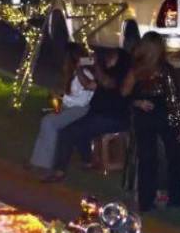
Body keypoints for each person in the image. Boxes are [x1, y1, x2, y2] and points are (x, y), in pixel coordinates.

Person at [121, 32, 180, 211]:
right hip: (145, 118)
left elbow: (173, 101)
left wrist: (179, 125)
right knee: (147, 157)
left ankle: (175, 195)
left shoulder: (165, 71)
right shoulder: (136, 70)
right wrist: (138, 102)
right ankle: (146, 199)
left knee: (174, 154)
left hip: (164, 117)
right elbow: (123, 95)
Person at [49, 47, 132, 179]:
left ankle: (59, 172)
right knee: (75, 124)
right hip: (98, 114)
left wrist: (96, 65)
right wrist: (79, 69)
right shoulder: (106, 69)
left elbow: (107, 83)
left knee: (68, 132)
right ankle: (88, 161)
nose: (106, 61)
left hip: (113, 117)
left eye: (109, 59)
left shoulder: (123, 72)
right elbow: (89, 85)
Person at [30, 43, 94, 176]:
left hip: (79, 109)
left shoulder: (85, 73)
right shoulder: (69, 74)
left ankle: (45, 164)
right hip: (68, 107)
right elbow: (67, 93)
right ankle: (38, 162)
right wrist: (57, 95)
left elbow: (88, 86)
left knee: (49, 122)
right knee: (47, 121)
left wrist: (79, 69)